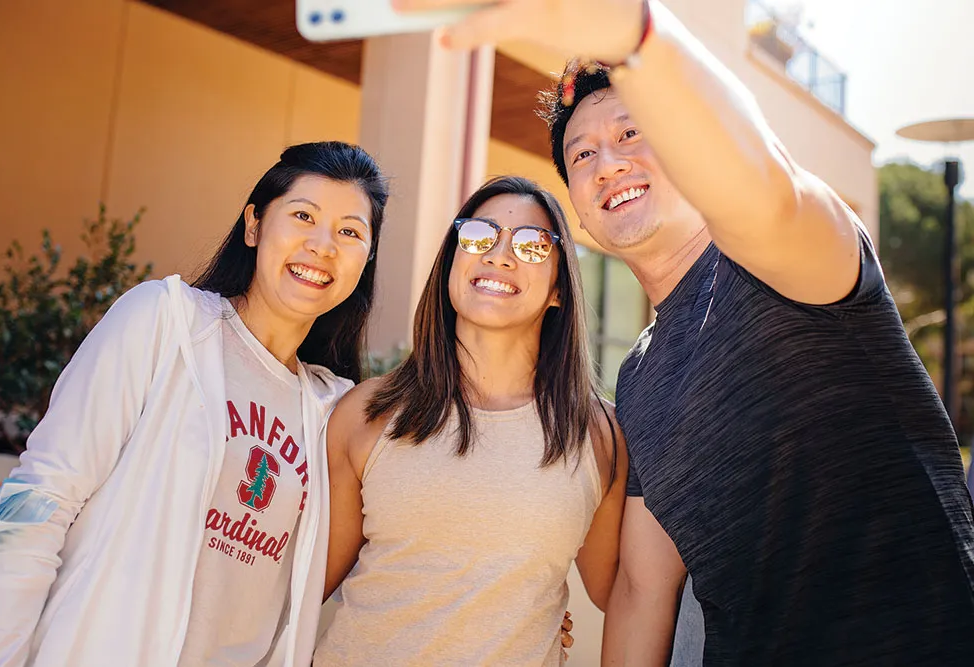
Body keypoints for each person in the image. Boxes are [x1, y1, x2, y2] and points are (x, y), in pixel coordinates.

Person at [399, 0, 974, 664]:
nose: (607, 164)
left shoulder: (779, 260)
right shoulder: (639, 379)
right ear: (580, 214)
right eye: (582, 154)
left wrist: (634, 31)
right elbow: (643, 587)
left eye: (632, 133)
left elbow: (771, 190)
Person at [0, 141, 388, 667]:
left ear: (365, 259)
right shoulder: (164, 322)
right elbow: (41, 498)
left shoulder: (334, 410)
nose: (322, 245)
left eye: (349, 232)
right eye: (303, 216)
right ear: (254, 225)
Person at [314, 175, 627, 665]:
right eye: (479, 236)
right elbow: (306, 585)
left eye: (531, 245)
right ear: (450, 264)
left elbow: (626, 594)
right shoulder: (365, 413)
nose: (499, 256)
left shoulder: (597, 435)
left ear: (559, 289)